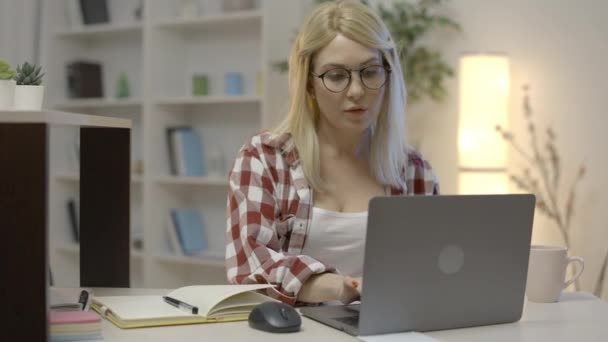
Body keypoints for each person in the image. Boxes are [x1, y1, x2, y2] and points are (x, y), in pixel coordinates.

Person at [225, 0, 439, 306]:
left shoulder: (415, 170)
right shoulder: (263, 159)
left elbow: (432, 269)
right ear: (309, 84)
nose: (356, 91)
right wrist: (342, 287)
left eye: (370, 71)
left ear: (388, 74)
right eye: (336, 76)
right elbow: (248, 267)